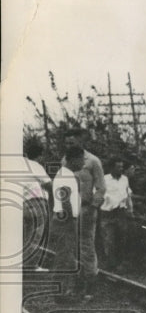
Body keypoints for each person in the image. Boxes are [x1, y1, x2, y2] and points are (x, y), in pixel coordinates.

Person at [61, 128, 104, 298]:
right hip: (70, 209)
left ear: (80, 142)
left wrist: (93, 206)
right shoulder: (65, 160)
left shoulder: (93, 161)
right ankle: (76, 283)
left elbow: (101, 187)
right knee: (70, 247)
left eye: (72, 142)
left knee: (86, 246)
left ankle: (91, 284)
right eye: (67, 143)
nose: (69, 145)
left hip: (87, 209)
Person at [49, 147, 84, 301]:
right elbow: (64, 200)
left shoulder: (67, 175)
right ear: (73, 159)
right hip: (65, 221)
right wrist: (70, 221)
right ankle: (61, 294)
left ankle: (64, 293)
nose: (83, 162)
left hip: (64, 220)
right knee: (64, 258)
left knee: (66, 257)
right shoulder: (65, 176)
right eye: (81, 159)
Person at [18, 144, 52, 270]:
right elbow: (48, 184)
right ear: (40, 155)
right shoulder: (34, 165)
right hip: (36, 202)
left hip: (20, 203)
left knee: (23, 235)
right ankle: (31, 265)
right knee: (36, 236)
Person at [99, 157, 133, 270]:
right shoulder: (104, 179)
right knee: (109, 239)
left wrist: (130, 209)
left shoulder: (125, 179)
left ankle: (120, 264)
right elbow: (98, 194)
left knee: (122, 238)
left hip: (121, 213)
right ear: (111, 168)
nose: (120, 169)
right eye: (118, 167)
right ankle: (110, 264)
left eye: (122, 167)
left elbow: (128, 195)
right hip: (107, 213)